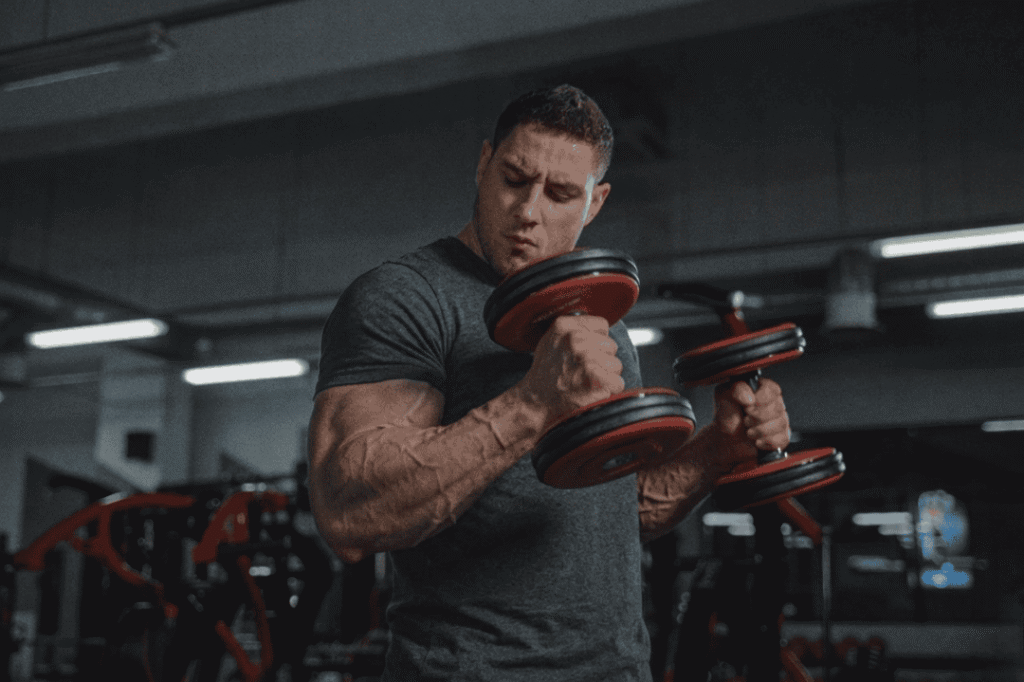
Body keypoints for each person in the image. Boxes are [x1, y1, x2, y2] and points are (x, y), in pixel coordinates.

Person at [307, 84, 791, 682]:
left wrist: (720, 450)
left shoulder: (602, 327)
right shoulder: (407, 298)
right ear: (484, 164)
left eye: (561, 193)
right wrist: (533, 401)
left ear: (594, 203)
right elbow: (348, 516)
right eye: (514, 178)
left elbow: (613, 511)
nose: (529, 211)